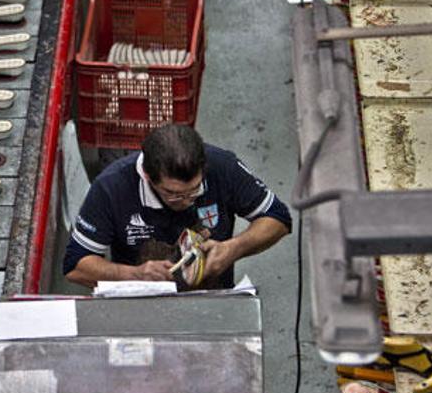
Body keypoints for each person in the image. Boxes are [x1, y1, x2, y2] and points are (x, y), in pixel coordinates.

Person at [63, 124, 292, 289]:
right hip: (140, 303)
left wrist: (234, 248)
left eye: (194, 190)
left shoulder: (223, 167)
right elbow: (76, 265)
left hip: (212, 299)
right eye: (172, 194)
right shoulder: (111, 187)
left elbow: (277, 218)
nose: (186, 201)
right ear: (147, 176)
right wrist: (133, 274)